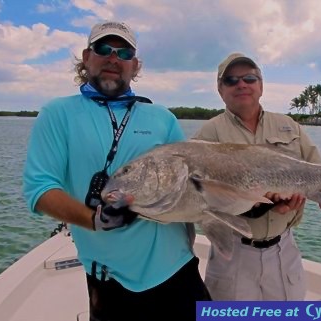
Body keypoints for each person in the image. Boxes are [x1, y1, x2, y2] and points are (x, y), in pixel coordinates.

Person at [23, 21, 211, 321]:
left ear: (134, 65)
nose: (113, 57)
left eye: (123, 52)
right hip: (110, 279)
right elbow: (40, 189)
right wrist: (94, 219)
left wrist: (246, 204)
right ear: (87, 57)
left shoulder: (162, 117)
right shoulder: (57, 114)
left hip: (179, 267)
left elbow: (195, 181)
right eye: (103, 49)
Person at [192, 52, 321, 301]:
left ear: (261, 85)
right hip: (232, 253)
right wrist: (259, 206)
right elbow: (200, 200)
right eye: (231, 80)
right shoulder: (207, 135)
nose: (241, 84)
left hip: (283, 250)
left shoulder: (289, 125)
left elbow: (314, 169)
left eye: (249, 78)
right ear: (220, 90)